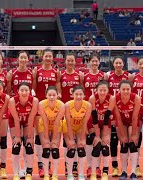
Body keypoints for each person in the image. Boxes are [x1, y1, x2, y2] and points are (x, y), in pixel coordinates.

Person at [32, 49, 61, 177]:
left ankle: (48, 166)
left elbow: (58, 85)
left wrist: (58, 95)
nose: (48, 58)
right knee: (40, 136)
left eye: (50, 56)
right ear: (42, 57)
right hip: (40, 107)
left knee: (51, 136)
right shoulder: (36, 71)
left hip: (52, 107)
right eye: (46, 56)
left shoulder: (56, 72)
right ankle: (41, 166)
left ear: (53, 58)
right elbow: (33, 86)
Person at [105, 57, 130, 177]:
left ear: (123, 64)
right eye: (116, 63)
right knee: (113, 141)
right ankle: (115, 166)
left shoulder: (128, 76)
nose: (118, 64)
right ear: (113, 64)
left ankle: (127, 168)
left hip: (125, 110)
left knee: (126, 141)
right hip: (113, 110)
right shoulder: (108, 76)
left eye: (120, 62)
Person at [60, 53, 84, 176]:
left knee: (77, 137)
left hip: (78, 109)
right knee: (68, 138)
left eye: (72, 60)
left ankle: (75, 166)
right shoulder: (61, 75)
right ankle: (67, 166)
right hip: (65, 109)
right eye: (68, 60)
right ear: (65, 62)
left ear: (75, 62)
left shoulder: (79, 75)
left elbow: (81, 91)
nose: (70, 62)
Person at [82, 53, 106, 177]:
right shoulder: (84, 76)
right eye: (93, 61)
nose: (95, 63)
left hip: (101, 111)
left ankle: (98, 168)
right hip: (88, 112)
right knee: (90, 140)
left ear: (99, 62)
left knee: (100, 141)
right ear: (89, 62)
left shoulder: (103, 75)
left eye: (97, 61)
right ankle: (90, 167)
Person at [9, 82, 38, 180]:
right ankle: (16, 172)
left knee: (29, 145)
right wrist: (17, 136)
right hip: (14, 120)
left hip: (27, 121)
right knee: (16, 145)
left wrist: (30, 137)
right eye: (22, 90)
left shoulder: (34, 100)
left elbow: (31, 119)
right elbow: (16, 119)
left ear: (30, 91)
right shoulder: (12, 100)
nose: (24, 92)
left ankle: (28, 171)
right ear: (18, 91)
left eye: (26, 90)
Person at [88, 80, 116, 180]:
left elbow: (107, 116)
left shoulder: (111, 98)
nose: (102, 92)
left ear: (108, 90)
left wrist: (104, 136)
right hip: (93, 124)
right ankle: (94, 172)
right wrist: (97, 136)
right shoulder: (92, 98)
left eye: (105, 90)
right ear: (97, 90)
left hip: (105, 123)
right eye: (100, 90)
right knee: (97, 145)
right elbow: (94, 118)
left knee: (105, 145)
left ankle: (105, 171)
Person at [128, 57, 143, 177]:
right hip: (137, 110)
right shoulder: (133, 77)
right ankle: (135, 166)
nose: (142, 66)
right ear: (138, 65)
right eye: (140, 64)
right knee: (135, 138)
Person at [113, 80, 140, 180]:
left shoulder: (136, 98)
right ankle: (123, 171)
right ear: (119, 90)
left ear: (131, 89)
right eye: (123, 89)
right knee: (123, 143)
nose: (125, 91)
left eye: (127, 89)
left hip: (132, 121)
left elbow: (135, 117)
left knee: (133, 143)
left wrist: (133, 134)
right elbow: (118, 118)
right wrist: (123, 136)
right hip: (121, 122)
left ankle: (133, 172)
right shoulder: (115, 98)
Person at [38, 86, 66, 180]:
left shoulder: (61, 105)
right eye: (49, 95)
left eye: (54, 95)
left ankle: (55, 174)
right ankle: (46, 173)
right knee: (46, 148)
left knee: (54, 148)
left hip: (56, 125)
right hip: (44, 125)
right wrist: (46, 137)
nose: (52, 97)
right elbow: (45, 121)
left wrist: (54, 139)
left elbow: (58, 121)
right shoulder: (41, 104)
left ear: (57, 95)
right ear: (46, 95)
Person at [64, 86, 92, 180]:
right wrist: (71, 139)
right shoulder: (67, 105)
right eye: (76, 94)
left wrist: (82, 139)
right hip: (68, 127)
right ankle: (70, 173)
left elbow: (85, 123)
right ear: (72, 95)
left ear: (84, 95)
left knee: (81, 147)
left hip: (80, 127)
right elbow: (67, 123)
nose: (79, 96)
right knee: (71, 148)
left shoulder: (88, 105)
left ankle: (80, 174)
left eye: (80, 94)